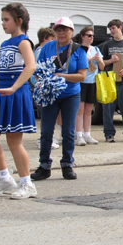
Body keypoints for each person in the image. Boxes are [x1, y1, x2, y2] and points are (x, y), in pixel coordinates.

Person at [0, 3, 37, 199]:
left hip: (16, 93)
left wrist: (14, 87)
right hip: (2, 94)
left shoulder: (24, 42)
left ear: (18, 21)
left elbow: (31, 67)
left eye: (6, 20)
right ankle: (4, 177)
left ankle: (27, 183)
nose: (3, 23)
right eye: (2, 19)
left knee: (14, 141)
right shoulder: (5, 43)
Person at [31, 17, 87, 181]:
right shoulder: (48, 47)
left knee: (68, 131)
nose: (61, 32)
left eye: (65, 29)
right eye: (58, 29)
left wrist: (61, 76)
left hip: (70, 94)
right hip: (51, 94)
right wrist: (42, 82)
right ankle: (44, 166)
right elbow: (38, 70)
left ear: (72, 32)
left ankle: (67, 164)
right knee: (47, 131)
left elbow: (82, 76)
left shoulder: (78, 50)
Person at [100, 19, 123, 143]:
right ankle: (109, 134)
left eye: (113, 28)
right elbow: (102, 62)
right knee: (108, 108)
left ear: (120, 28)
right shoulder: (107, 45)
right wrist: (111, 61)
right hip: (110, 80)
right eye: (110, 29)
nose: (112, 31)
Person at [74, 26, 103, 146]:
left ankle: (87, 134)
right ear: (82, 36)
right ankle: (79, 135)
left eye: (92, 36)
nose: (91, 38)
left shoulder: (95, 49)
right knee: (79, 110)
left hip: (92, 82)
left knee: (88, 110)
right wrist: (92, 58)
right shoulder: (78, 48)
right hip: (81, 81)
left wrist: (100, 60)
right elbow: (78, 60)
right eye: (89, 35)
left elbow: (101, 66)